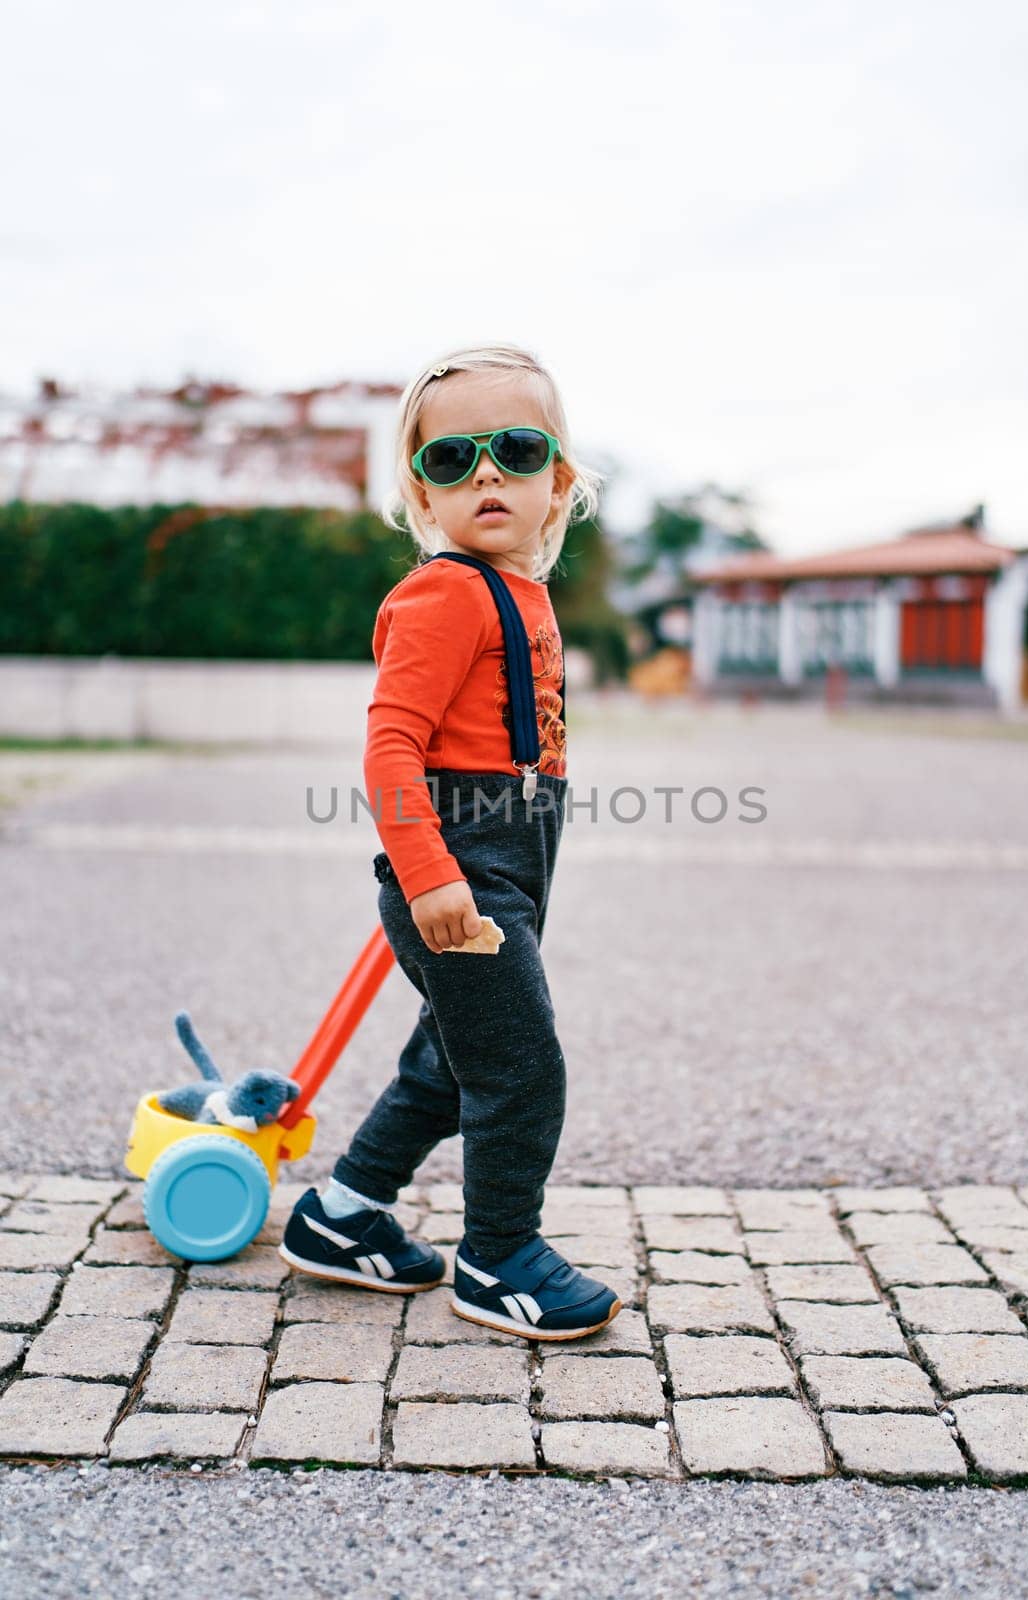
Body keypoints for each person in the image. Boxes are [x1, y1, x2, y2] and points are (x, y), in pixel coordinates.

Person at [280, 342, 621, 1340]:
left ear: (556, 480)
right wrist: (431, 878)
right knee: (521, 1068)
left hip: (508, 869)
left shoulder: (522, 591)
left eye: (514, 449)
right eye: (449, 459)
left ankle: (342, 1216)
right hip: (461, 873)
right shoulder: (443, 594)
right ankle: (499, 1256)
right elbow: (392, 747)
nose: (484, 473)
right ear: (421, 492)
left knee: (448, 1062)